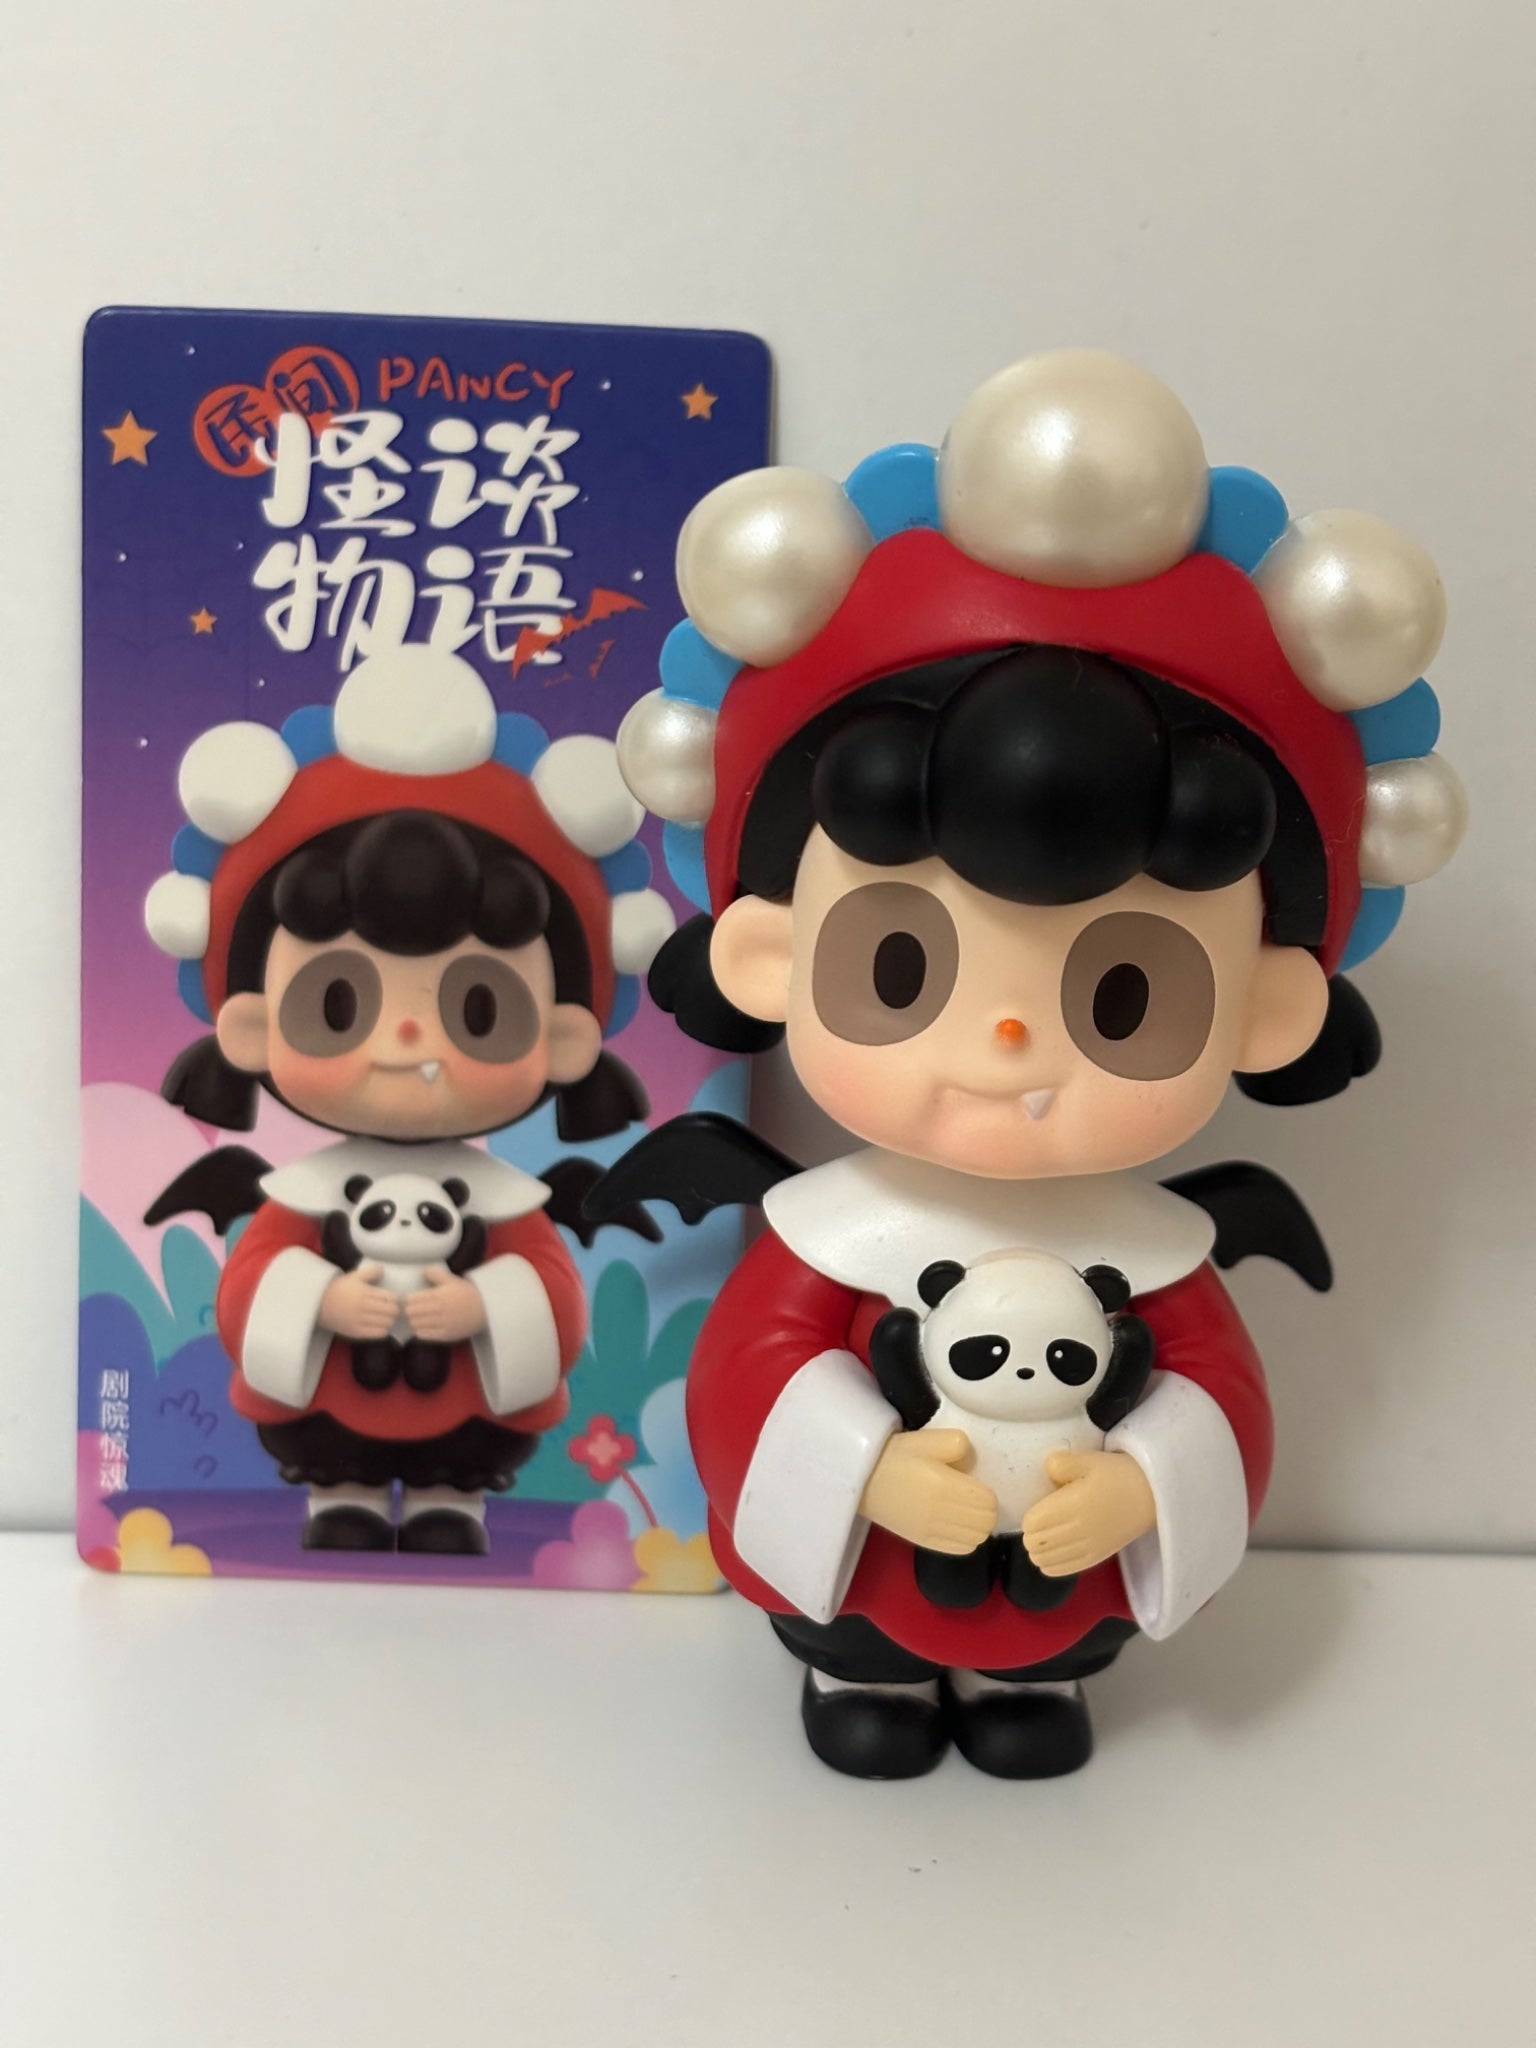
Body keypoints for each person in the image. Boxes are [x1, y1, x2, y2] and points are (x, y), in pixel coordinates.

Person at [610, 349, 1468, 1776]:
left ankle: (1032, 1687)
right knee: (863, 1653)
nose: (1007, 1040)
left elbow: (1220, 1393)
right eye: (902, 970)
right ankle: (871, 1681)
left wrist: (1144, 1489)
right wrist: (869, 1467)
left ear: (1267, 1008)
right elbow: (750, 1369)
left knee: (1043, 1668)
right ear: (770, 957)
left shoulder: (1155, 1254)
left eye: (1123, 998)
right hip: (870, 1573)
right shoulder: (832, 1240)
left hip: (1059, 1596)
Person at [144, 645, 673, 1554]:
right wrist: (317, 1299)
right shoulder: (300, 1201)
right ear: (252, 1026)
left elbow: (553, 1295)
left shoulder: (509, 1207)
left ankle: (448, 1507)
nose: (406, 1040)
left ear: (563, 1038)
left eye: (479, 1010)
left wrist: (484, 1307)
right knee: (331, 1466)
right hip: (332, 1400)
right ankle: (341, 1496)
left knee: (456, 1476)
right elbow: (248, 1290)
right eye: (337, 1004)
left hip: (462, 1410)